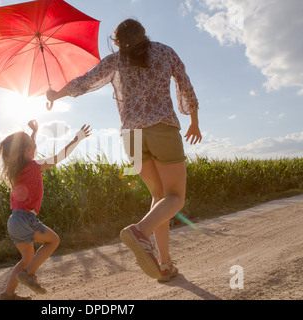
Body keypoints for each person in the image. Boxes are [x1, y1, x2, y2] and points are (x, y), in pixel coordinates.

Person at [47, 19, 202, 282]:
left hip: (130, 136)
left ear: (118, 42)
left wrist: (55, 95)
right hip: (161, 129)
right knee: (175, 198)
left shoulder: (115, 61)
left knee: (159, 196)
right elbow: (184, 83)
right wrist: (194, 121)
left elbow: (85, 82)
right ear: (144, 34)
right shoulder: (164, 51)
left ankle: (165, 264)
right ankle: (139, 231)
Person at [0, 120, 92, 300]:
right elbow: (59, 157)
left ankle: (7, 295)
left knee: (26, 259)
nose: (35, 145)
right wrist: (76, 140)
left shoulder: (16, 169)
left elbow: (27, 150)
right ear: (26, 150)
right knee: (53, 241)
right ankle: (28, 274)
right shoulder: (33, 166)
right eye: (34, 144)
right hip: (26, 219)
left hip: (14, 221)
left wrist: (34, 133)